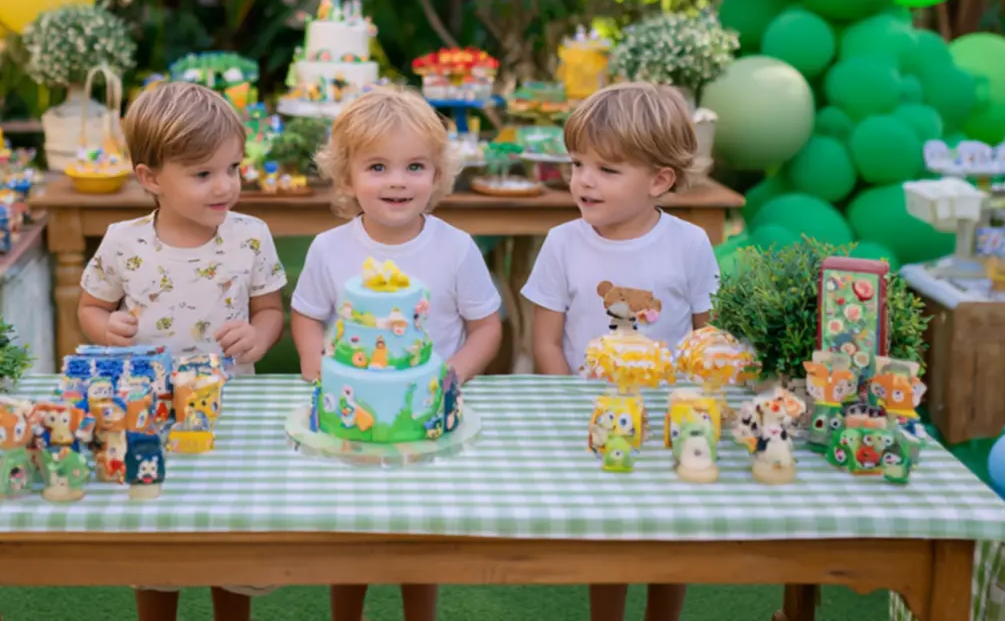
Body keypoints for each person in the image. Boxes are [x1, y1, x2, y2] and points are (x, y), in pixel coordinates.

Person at [289, 86, 503, 621]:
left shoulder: (456, 248)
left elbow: (486, 327)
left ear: (438, 175)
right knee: (350, 533)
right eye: (378, 167)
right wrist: (314, 360)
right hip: (351, 420)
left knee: (420, 535)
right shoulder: (329, 249)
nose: (397, 181)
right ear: (346, 177)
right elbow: (307, 314)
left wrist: (454, 372)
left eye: (415, 167)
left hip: (427, 421)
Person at [78, 81, 287, 621]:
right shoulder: (123, 242)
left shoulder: (250, 236)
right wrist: (107, 327)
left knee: (229, 535)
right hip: (148, 415)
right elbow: (90, 308)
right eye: (202, 174)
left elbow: (270, 309)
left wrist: (260, 336)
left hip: (229, 415)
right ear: (150, 178)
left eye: (233, 167)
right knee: (153, 538)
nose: (225, 185)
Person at [523, 81, 719, 621]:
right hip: (595, 420)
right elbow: (545, 340)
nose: (584, 180)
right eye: (577, 164)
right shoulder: (563, 242)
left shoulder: (690, 243)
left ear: (659, 180)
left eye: (607, 169)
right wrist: (571, 403)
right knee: (608, 536)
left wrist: (698, 409)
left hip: (669, 421)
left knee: (671, 534)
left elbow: (706, 337)